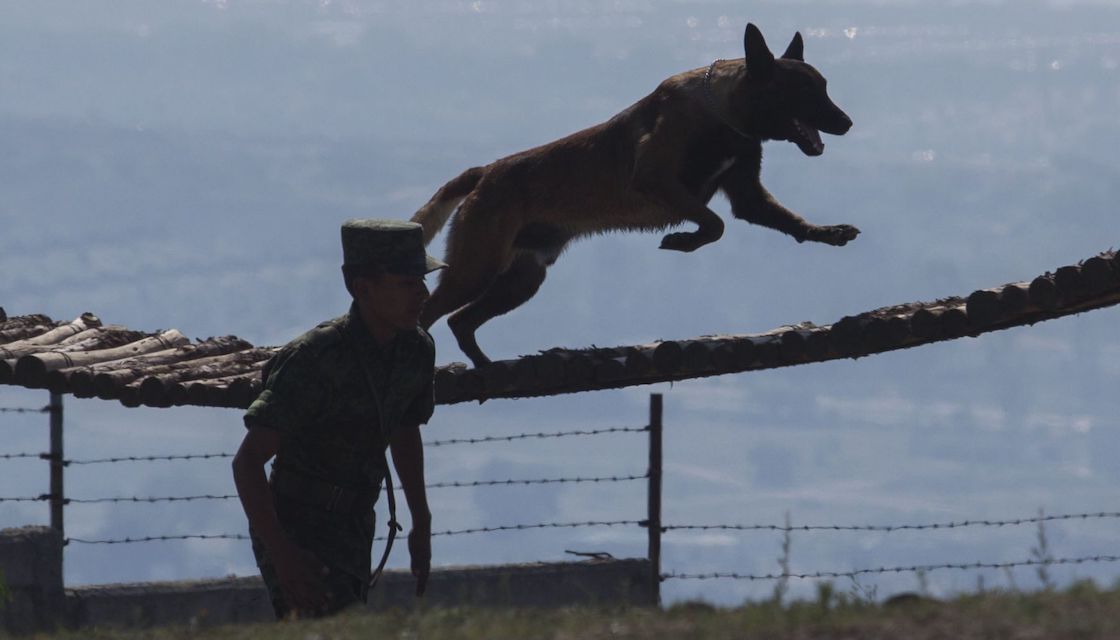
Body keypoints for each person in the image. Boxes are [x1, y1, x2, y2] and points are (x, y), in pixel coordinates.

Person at [232, 219, 446, 619]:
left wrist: (421, 521)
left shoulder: (416, 350)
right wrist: (283, 554)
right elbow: (247, 463)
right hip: (295, 523)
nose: (423, 293)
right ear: (361, 287)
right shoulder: (315, 358)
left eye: (422, 280)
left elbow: (404, 430)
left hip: (356, 523)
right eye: (406, 282)